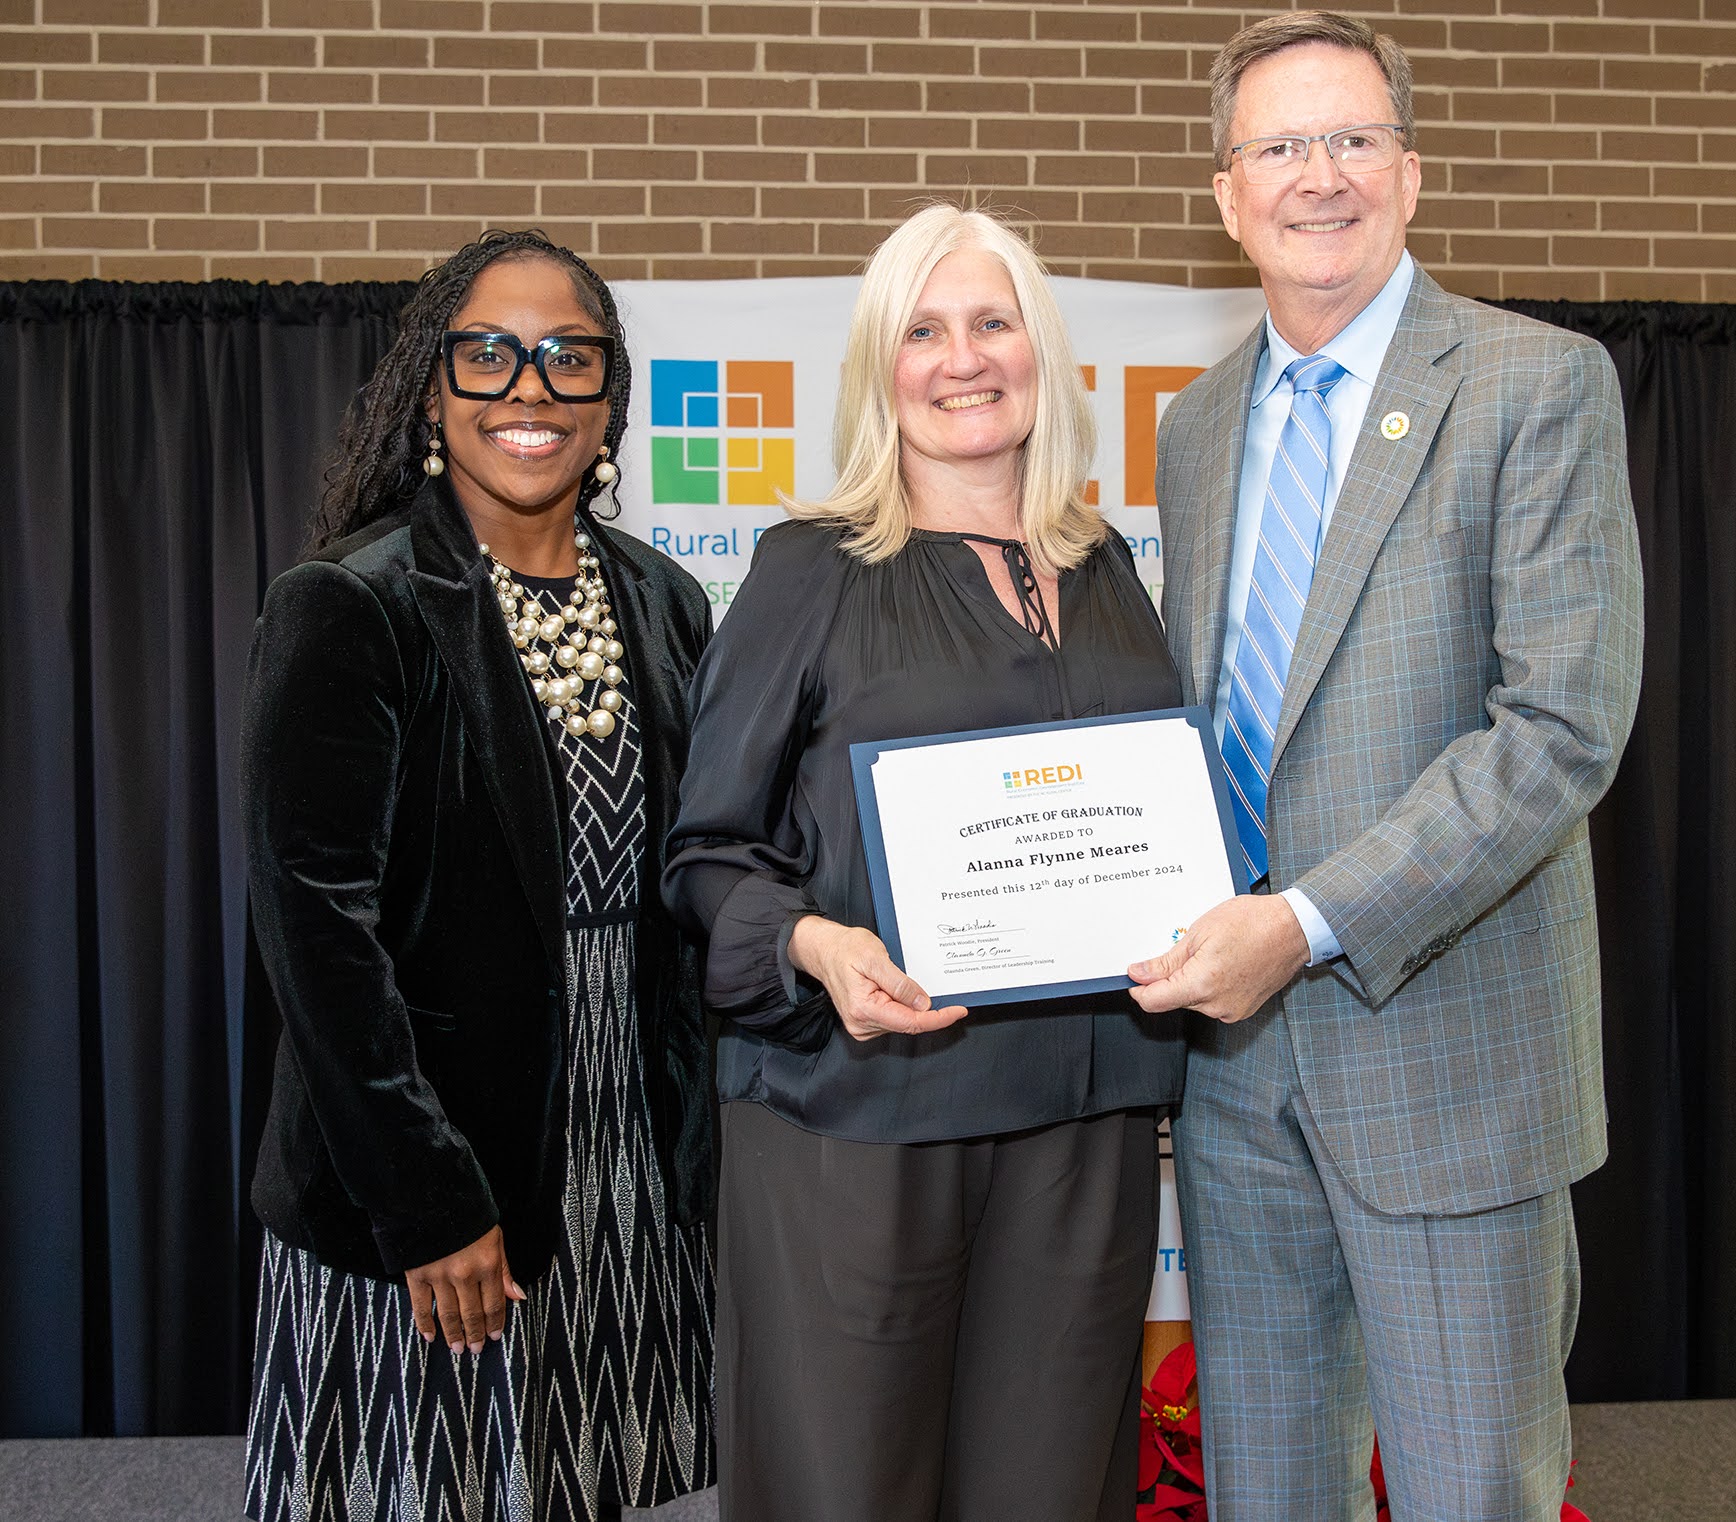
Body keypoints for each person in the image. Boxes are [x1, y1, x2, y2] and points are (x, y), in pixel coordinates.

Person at [1126, 13, 1645, 1521]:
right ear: (1227, 194)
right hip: (1235, 1084)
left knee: (1466, 1493)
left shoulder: (1533, 385)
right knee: (1268, 1492)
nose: (1319, 176)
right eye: (1280, 146)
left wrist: (1298, 921)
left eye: (1352, 138)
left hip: (1450, 1060)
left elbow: (1559, 727)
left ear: (1409, 174)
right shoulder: (1197, 425)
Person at [661, 205, 1186, 1522]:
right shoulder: (809, 569)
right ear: (879, 368)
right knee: (851, 1487)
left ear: (1042, 352)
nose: (962, 358)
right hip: (862, 1114)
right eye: (924, 329)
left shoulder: (1108, 562)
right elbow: (708, 850)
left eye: (992, 321)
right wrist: (810, 943)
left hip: (1085, 1112)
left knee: (1052, 1488)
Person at [240, 230, 716, 1522]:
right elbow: (314, 929)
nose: (529, 387)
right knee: (428, 1483)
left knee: (586, 1476)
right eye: (488, 354)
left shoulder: (665, 600)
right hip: (435, 1144)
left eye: (570, 357)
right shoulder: (354, 601)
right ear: (432, 390)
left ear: (611, 396)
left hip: (620, 1143)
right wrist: (426, 1197)